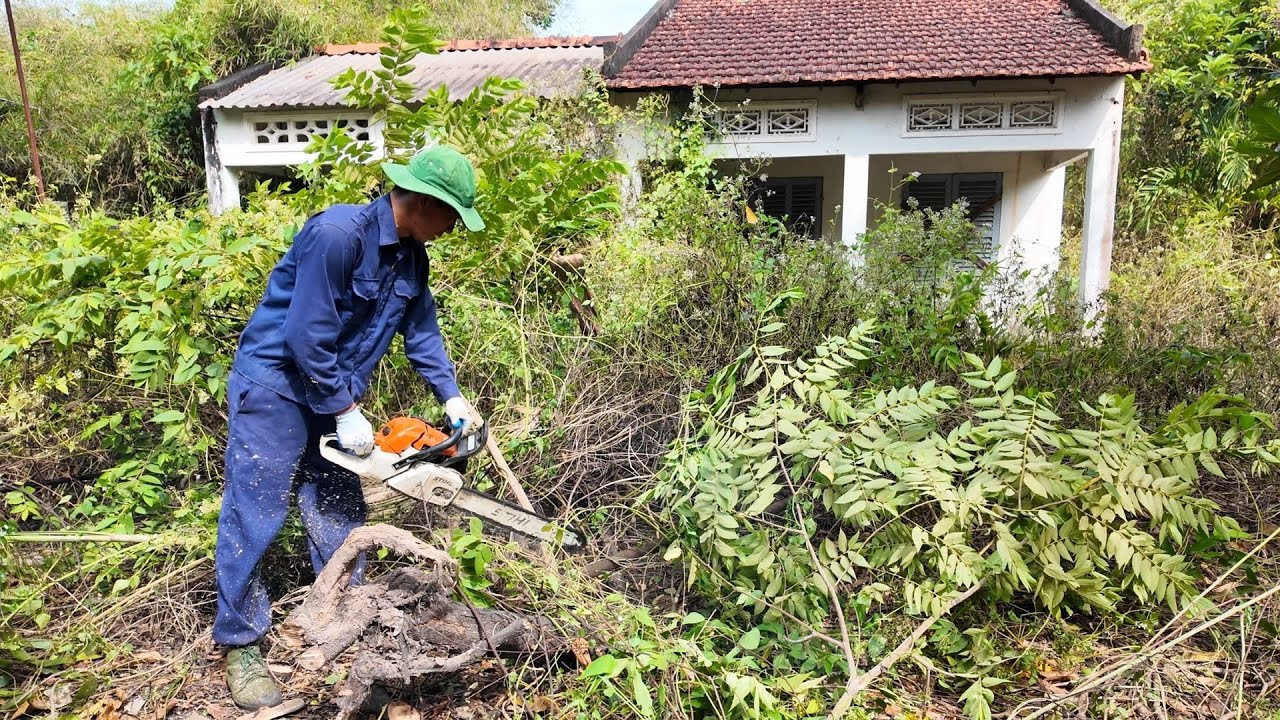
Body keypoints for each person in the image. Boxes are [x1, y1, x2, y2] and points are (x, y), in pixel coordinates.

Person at [213, 145, 486, 709]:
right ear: (425, 202)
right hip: (278, 387)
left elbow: (422, 332)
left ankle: (344, 616)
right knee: (257, 508)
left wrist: (452, 396)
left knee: (339, 509)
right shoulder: (338, 234)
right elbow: (306, 333)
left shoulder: (412, 258)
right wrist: (342, 409)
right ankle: (239, 644)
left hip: (333, 396)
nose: (452, 230)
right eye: (452, 217)